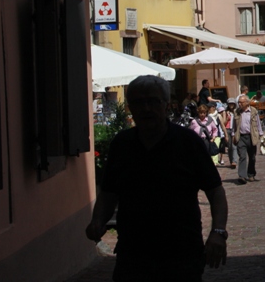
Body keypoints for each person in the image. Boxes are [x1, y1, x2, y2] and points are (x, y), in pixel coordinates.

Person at [86, 75, 228, 280]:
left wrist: (218, 231)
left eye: (153, 101)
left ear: (166, 105)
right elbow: (109, 192)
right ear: (130, 107)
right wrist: (98, 220)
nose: (146, 108)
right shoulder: (122, 145)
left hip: (181, 252)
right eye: (138, 102)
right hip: (134, 253)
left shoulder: (188, 143)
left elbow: (215, 191)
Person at [232, 95, 263, 184]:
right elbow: (234, 125)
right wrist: (233, 135)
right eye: (238, 102)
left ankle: (251, 174)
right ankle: (242, 176)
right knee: (242, 156)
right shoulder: (236, 112)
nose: (239, 104)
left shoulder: (253, 111)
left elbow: (258, 123)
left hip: (251, 137)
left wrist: (261, 134)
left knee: (252, 157)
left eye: (241, 102)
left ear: (247, 103)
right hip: (241, 137)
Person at [224, 99, 237, 169]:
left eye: (232, 103)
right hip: (228, 129)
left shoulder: (237, 111)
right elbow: (224, 123)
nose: (231, 105)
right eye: (230, 104)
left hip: (234, 129)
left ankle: (234, 161)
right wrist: (227, 118)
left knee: (234, 146)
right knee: (229, 147)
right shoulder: (225, 112)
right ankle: (231, 161)